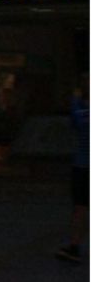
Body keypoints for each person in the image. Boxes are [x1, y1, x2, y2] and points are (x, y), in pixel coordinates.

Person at [57, 77, 88, 264]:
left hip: (82, 165)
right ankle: (74, 246)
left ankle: (75, 246)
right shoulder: (80, 111)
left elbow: (76, 122)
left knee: (80, 208)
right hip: (83, 165)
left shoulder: (79, 110)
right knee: (80, 208)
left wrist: (76, 101)